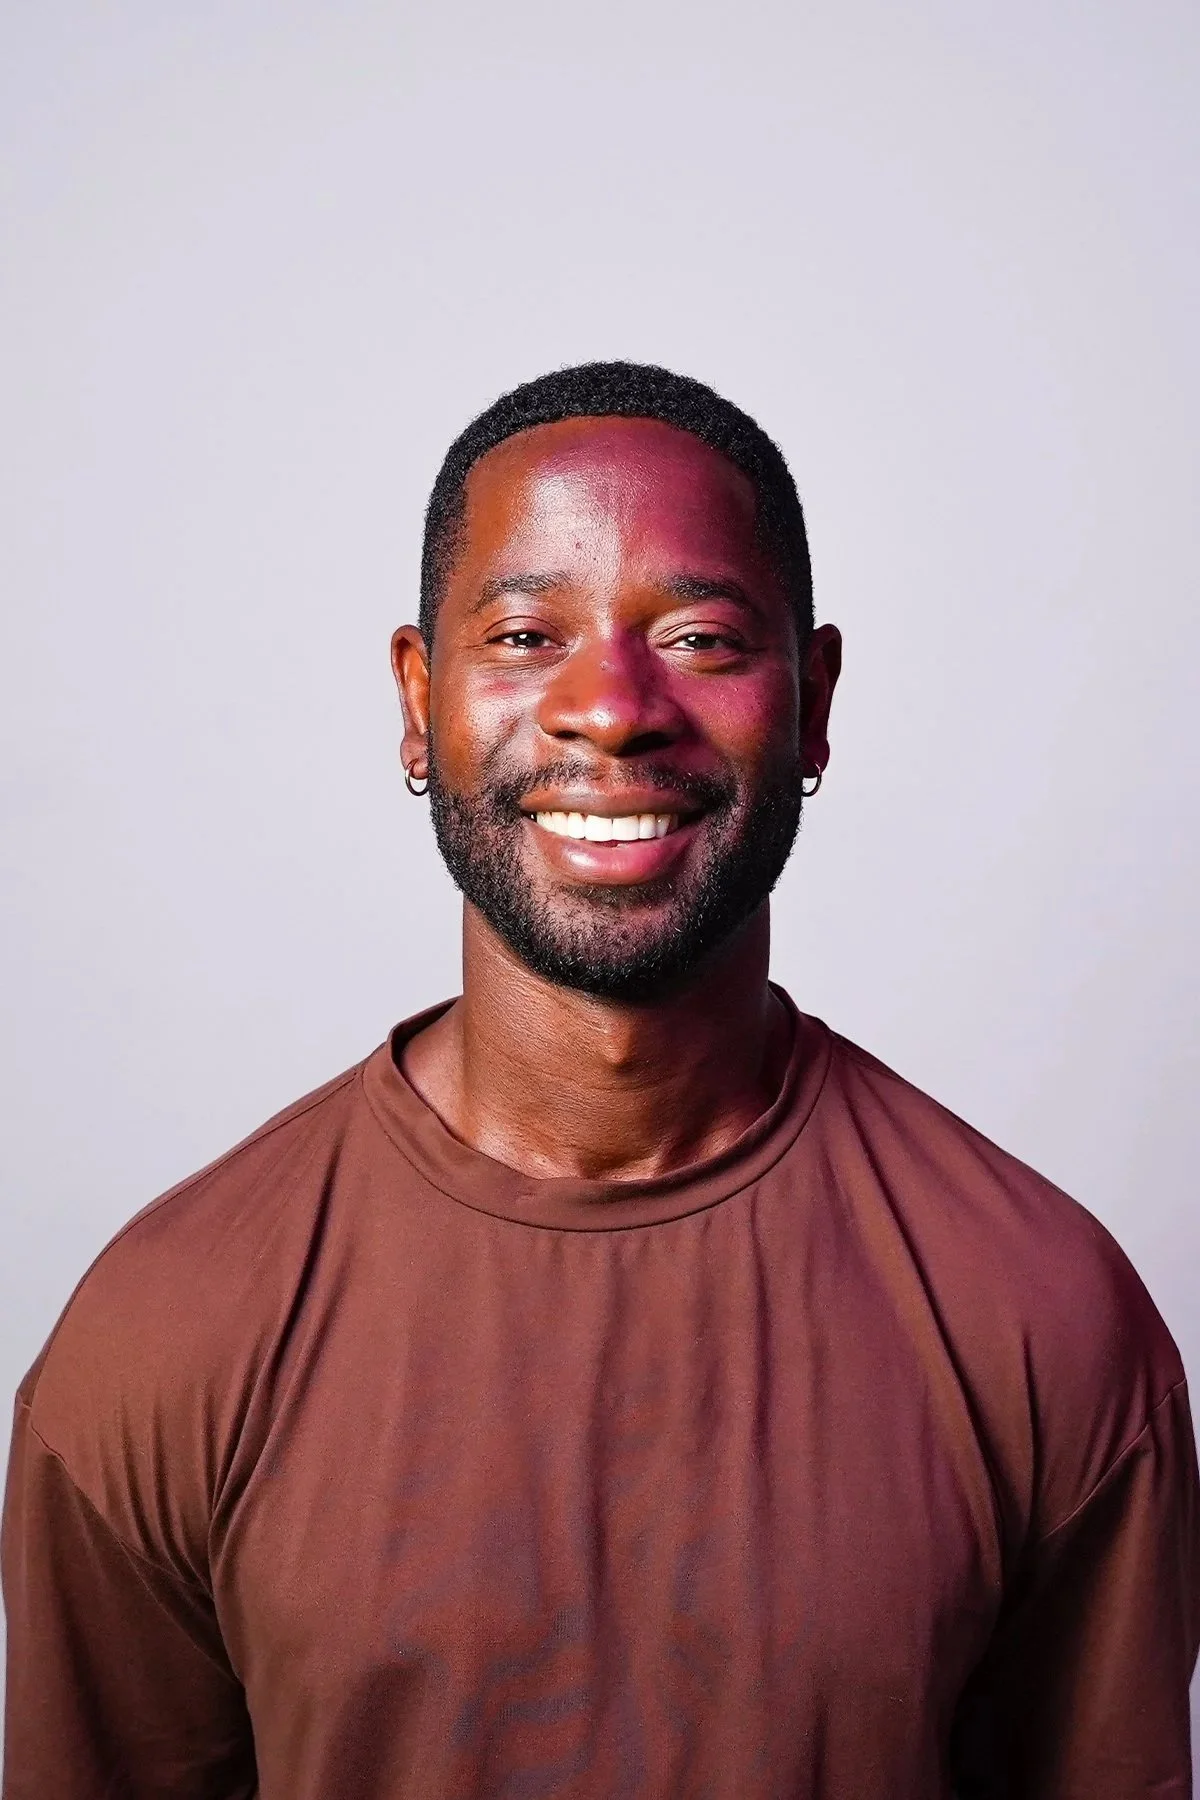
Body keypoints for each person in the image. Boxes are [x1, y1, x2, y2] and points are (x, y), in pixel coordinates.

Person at [3, 361, 1197, 1799]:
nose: (613, 710)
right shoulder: (166, 1332)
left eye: (700, 638)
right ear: (419, 697)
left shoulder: (1042, 1312)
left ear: (814, 701)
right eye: (526, 635)